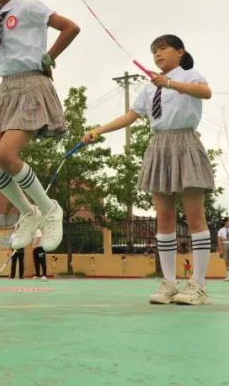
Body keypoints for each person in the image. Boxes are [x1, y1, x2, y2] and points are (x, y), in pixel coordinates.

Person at [85, 35, 214, 305]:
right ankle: (169, 283)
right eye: (154, 51)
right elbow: (130, 117)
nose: (157, 54)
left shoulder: (190, 75)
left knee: (194, 217)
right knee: (164, 218)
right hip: (159, 145)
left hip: (185, 142)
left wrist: (168, 82)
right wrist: (98, 130)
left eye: (163, 49)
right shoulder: (148, 88)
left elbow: (206, 92)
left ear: (180, 52)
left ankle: (198, 285)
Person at [0, 0, 80, 255]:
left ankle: (50, 210)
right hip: (6, 87)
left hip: (32, 84)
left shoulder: (31, 7)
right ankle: (29, 211)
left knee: (6, 154)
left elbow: (70, 28)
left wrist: (49, 56)